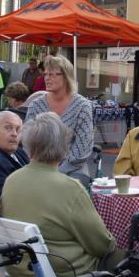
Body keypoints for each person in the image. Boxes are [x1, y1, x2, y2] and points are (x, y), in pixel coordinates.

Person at [0, 112, 119, 277]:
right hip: (63, 276)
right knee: (122, 255)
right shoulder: (70, 188)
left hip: (20, 273)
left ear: (28, 146)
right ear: (64, 149)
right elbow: (101, 245)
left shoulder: (12, 180)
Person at [24, 55, 94, 186]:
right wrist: (40, 169)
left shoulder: (82, 106)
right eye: (46, 74)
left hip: (73, 169)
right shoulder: (36, 105)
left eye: (52, 74)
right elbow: (27, 142)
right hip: (39, 168)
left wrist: (57, 172)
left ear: (66, 77)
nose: (47, 78)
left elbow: (82, 149)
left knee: (62, 188)